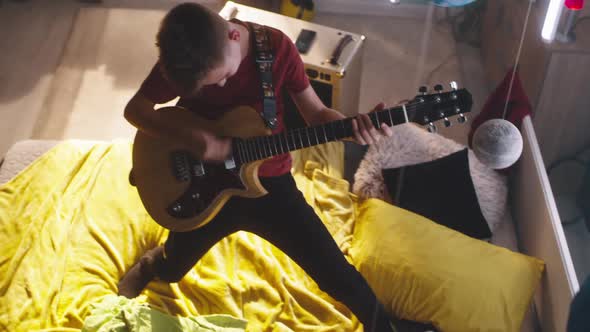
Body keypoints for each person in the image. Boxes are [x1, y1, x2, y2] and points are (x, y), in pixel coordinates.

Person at [118, 3, 396, 331]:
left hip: (271, 185)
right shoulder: (185, 58)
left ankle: (386, 327)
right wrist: (192, 137)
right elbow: (135, 110)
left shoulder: (277, 49)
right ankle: (154, 262)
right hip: (200, 185)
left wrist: (353, 128)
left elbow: (317, 114)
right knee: (172, 267)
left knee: (335, 273)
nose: (219, 87)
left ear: (234, 35)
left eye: (223, 77)